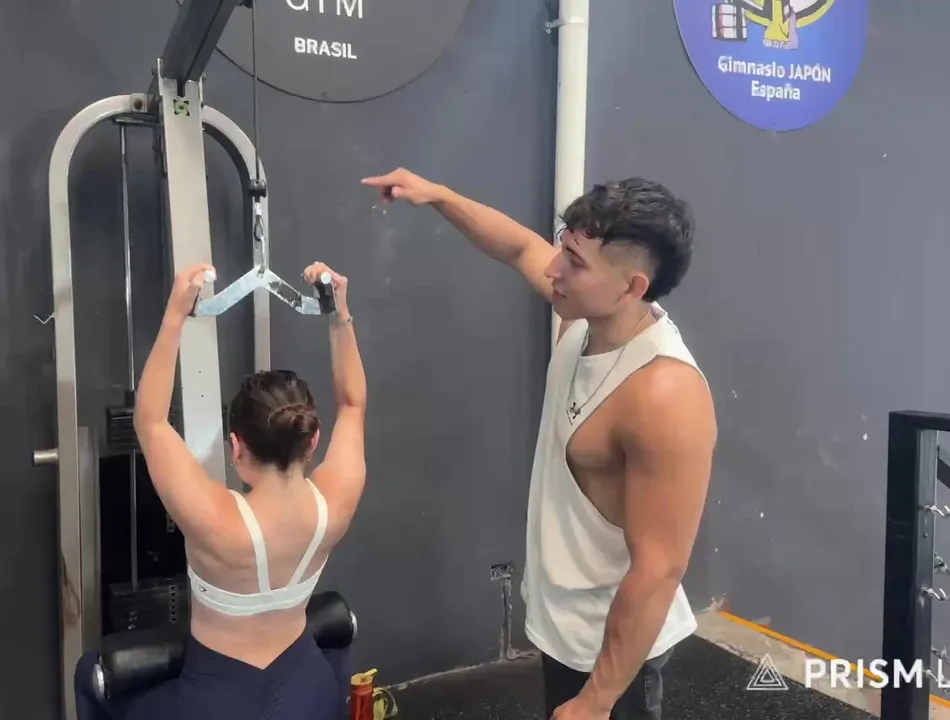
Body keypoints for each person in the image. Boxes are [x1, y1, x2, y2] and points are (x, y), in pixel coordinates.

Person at [361, 170, 716, 720]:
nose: (553, 269)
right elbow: (518, 247)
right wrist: (439, 196)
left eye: (574, 262)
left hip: (614, 655)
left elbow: (660, 569)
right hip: (565, 630)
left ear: (631, 288)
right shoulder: (586, 318)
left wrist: (597, 700)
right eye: (563, 249)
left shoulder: (663, 394)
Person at [74, 261, 368, 720]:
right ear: (313, 440)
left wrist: (176, 313)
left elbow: (150, 421)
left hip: (219, 701)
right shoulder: (335, 502)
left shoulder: (216, 520)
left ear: (236, 447)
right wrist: (338, 313)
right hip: (308, 690)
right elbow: (352, 404)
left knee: (90, 674)